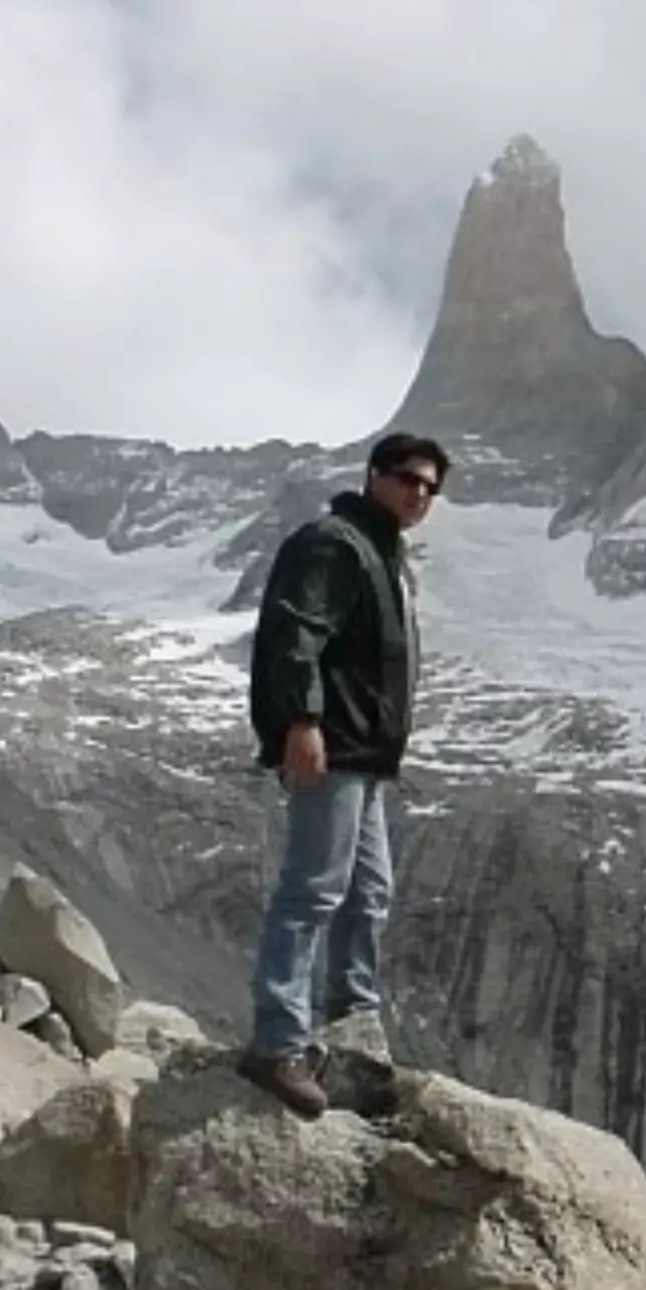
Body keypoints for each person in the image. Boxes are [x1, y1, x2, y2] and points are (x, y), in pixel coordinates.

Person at [237, 431, 449, 1118]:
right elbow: (296, 632)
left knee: (367, 895)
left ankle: (352, 1034)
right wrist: (301, 721)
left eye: (430, 486)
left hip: (363, 758)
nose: (419, 493)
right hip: (333, 747)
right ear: (374, 476)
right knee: (314, 893)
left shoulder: (382, 554)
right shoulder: (334, 542)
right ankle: (278, 1043)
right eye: (407, 478)